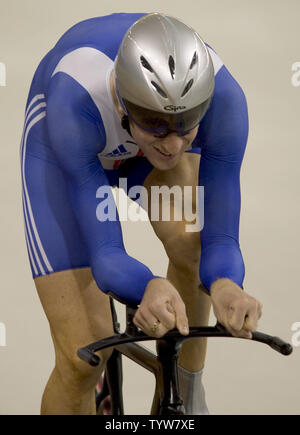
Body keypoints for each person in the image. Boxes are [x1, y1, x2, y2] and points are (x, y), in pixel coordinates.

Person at [20, 12, 262, 415]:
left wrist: (225, 286)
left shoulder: (226, 100)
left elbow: (220, 236)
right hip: (67, 149)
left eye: (187, 126)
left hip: (133, 148)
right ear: (123, 101)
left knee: (192, 241)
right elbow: (107, 254)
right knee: (82, 356)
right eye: (157, 125)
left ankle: (185, 394)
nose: (173, 144)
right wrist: (147, 284)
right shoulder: (74, 97)